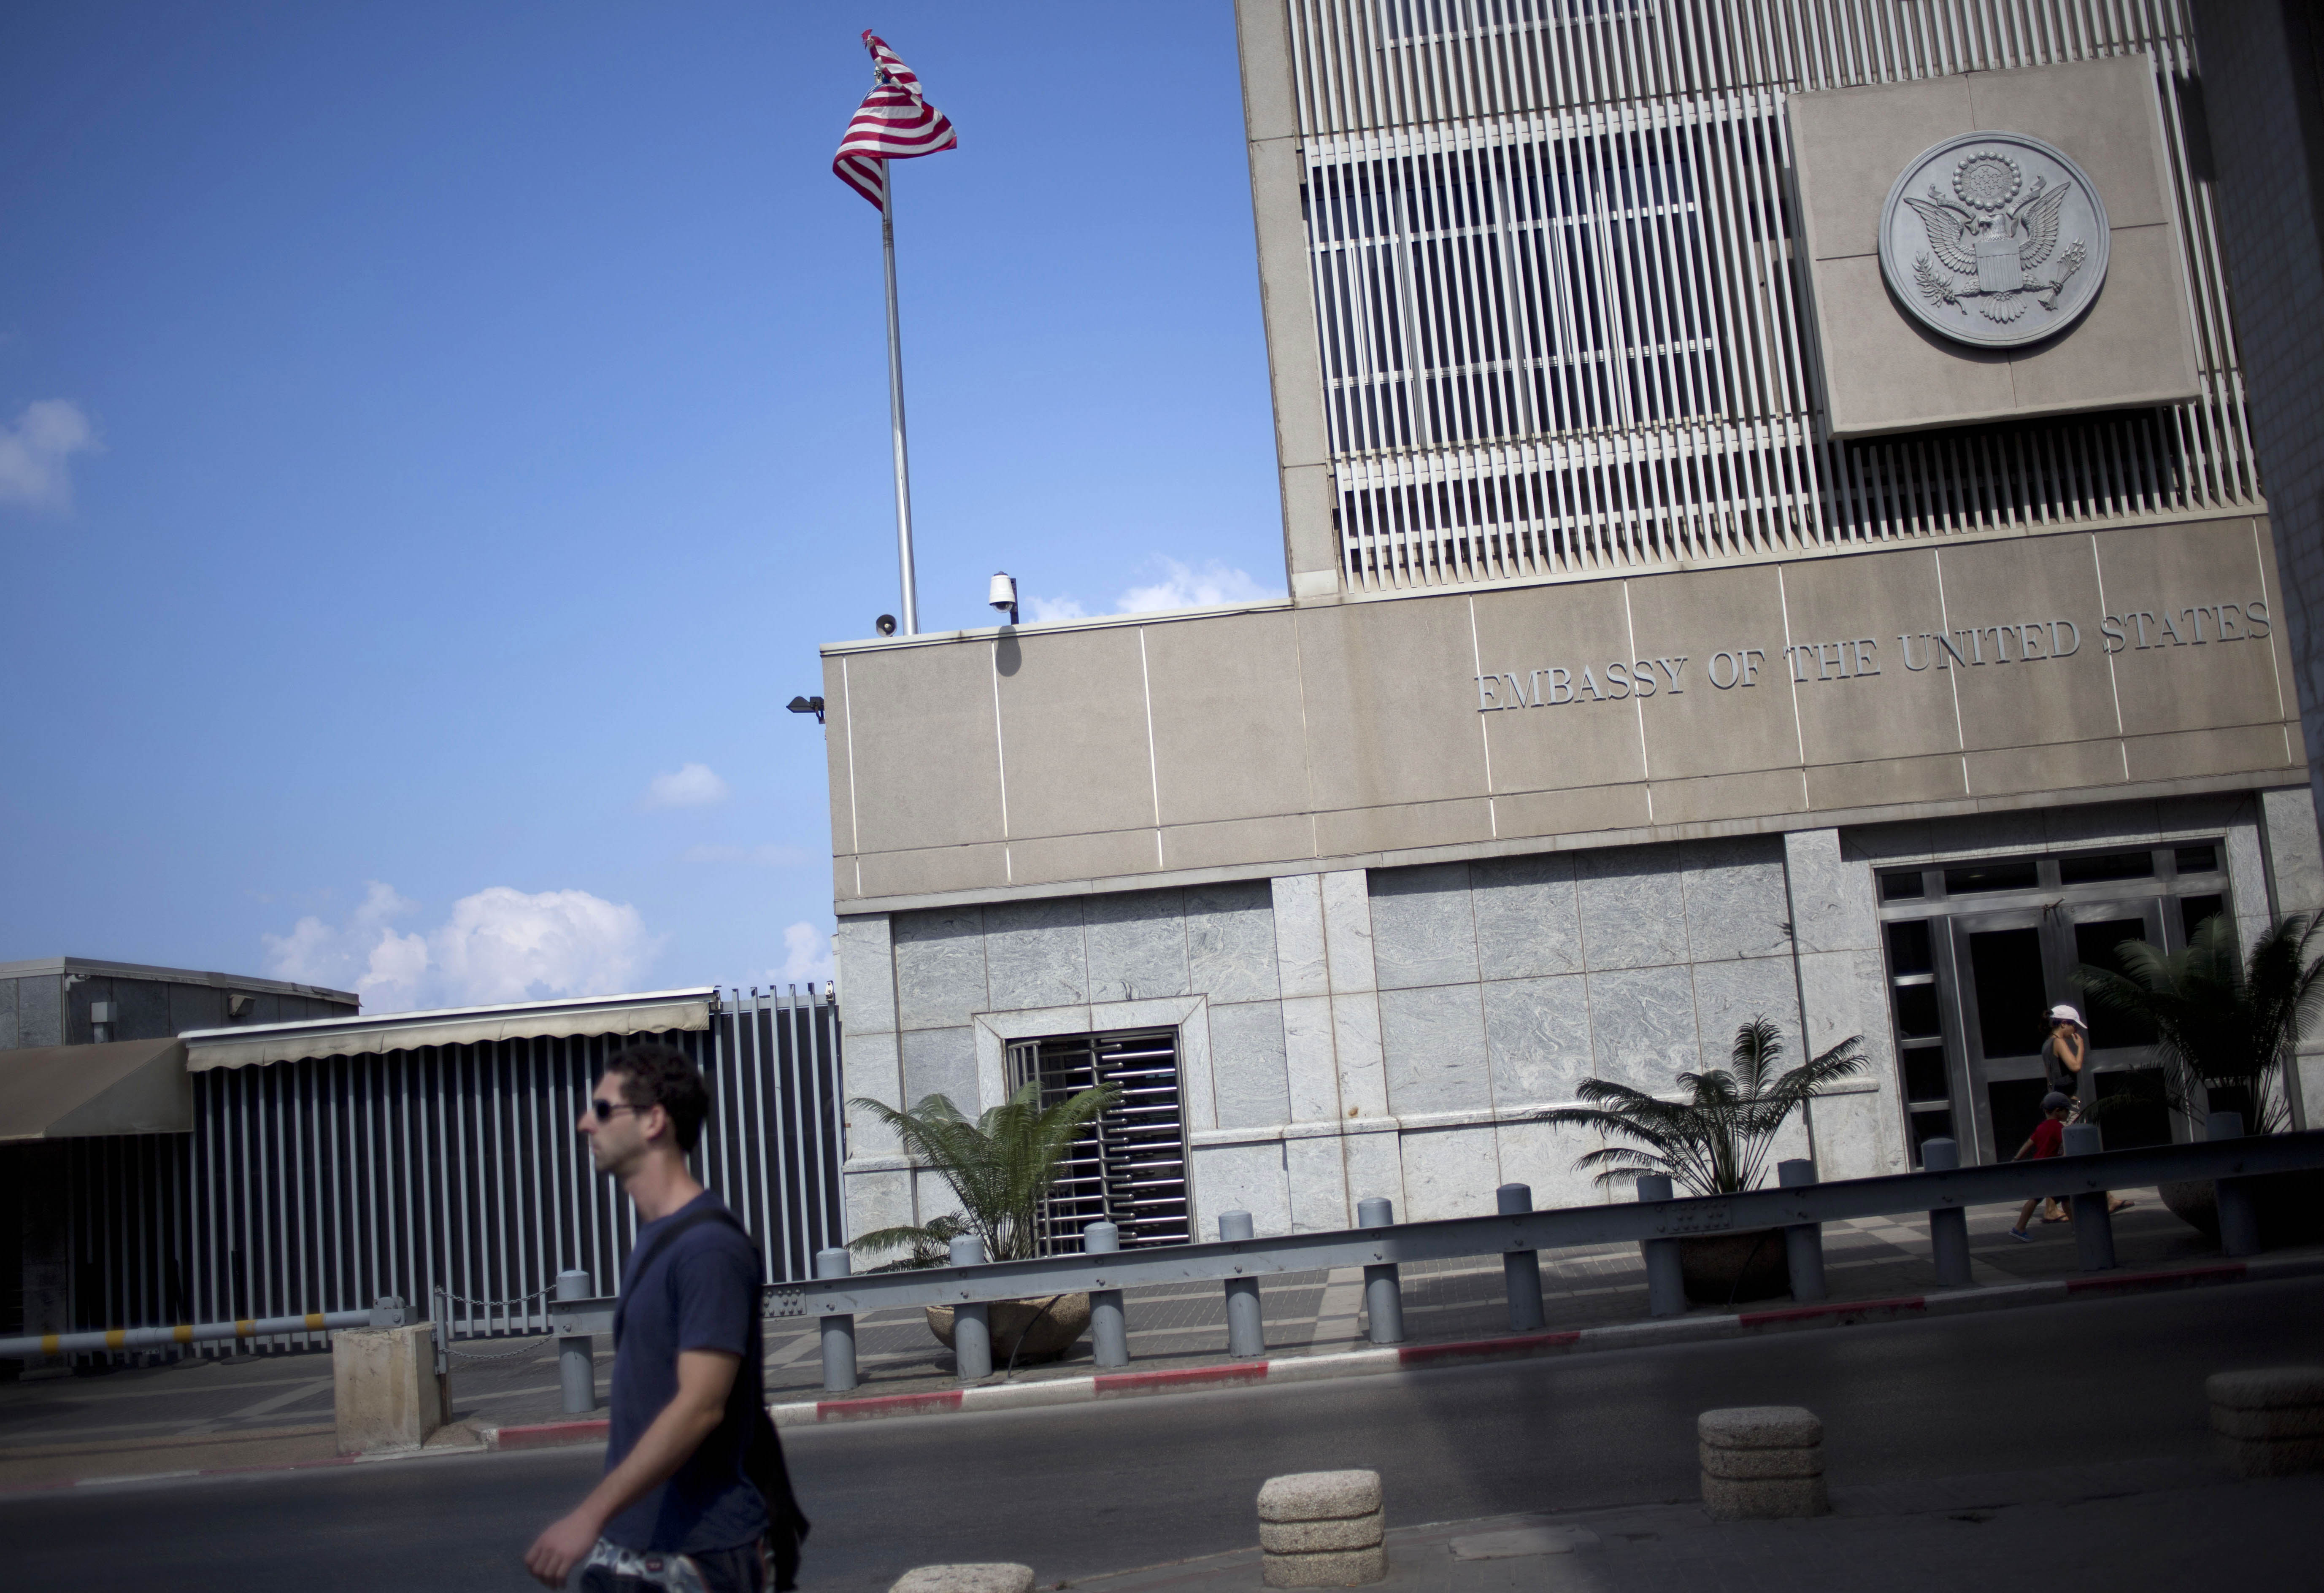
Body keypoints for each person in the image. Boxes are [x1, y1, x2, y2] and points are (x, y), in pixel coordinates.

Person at [526, 1043, 803, 1593]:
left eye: (603, 1110)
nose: (586, 1123)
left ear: (654, 1120)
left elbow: (700, 1407)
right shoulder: (657, 1239)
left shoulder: (707, 1248)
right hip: (639, 1547)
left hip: (700, 1555)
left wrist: (589, 1516)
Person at [2008, 1092, 2075, 1241]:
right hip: (2051, 1170)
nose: (2068, 1113)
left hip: (2038, 1168)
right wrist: (2065, 1162)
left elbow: (2028, 1144)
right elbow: (2067, 1147)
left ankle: (2019, 1228)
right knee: (2066, 1200)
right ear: (2058, 1111)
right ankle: (2078, 1227)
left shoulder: (2041, 1127)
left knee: (2035, 1199)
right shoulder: (2058, 1128)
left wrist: (2016, 1159)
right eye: (2066, 1110)